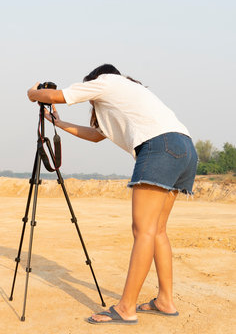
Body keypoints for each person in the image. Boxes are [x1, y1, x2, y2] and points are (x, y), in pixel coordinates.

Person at [26, 64, 198, 325]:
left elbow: (53, 96)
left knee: (143, 231)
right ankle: (165, 301)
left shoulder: (106, 81)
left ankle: (126, 308)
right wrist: (57, 123)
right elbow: (96, 136)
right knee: (157, 230)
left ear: (95, 79)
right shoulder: (131, 92)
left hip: (158, 148)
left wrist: (34, 92)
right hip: (184, 148)